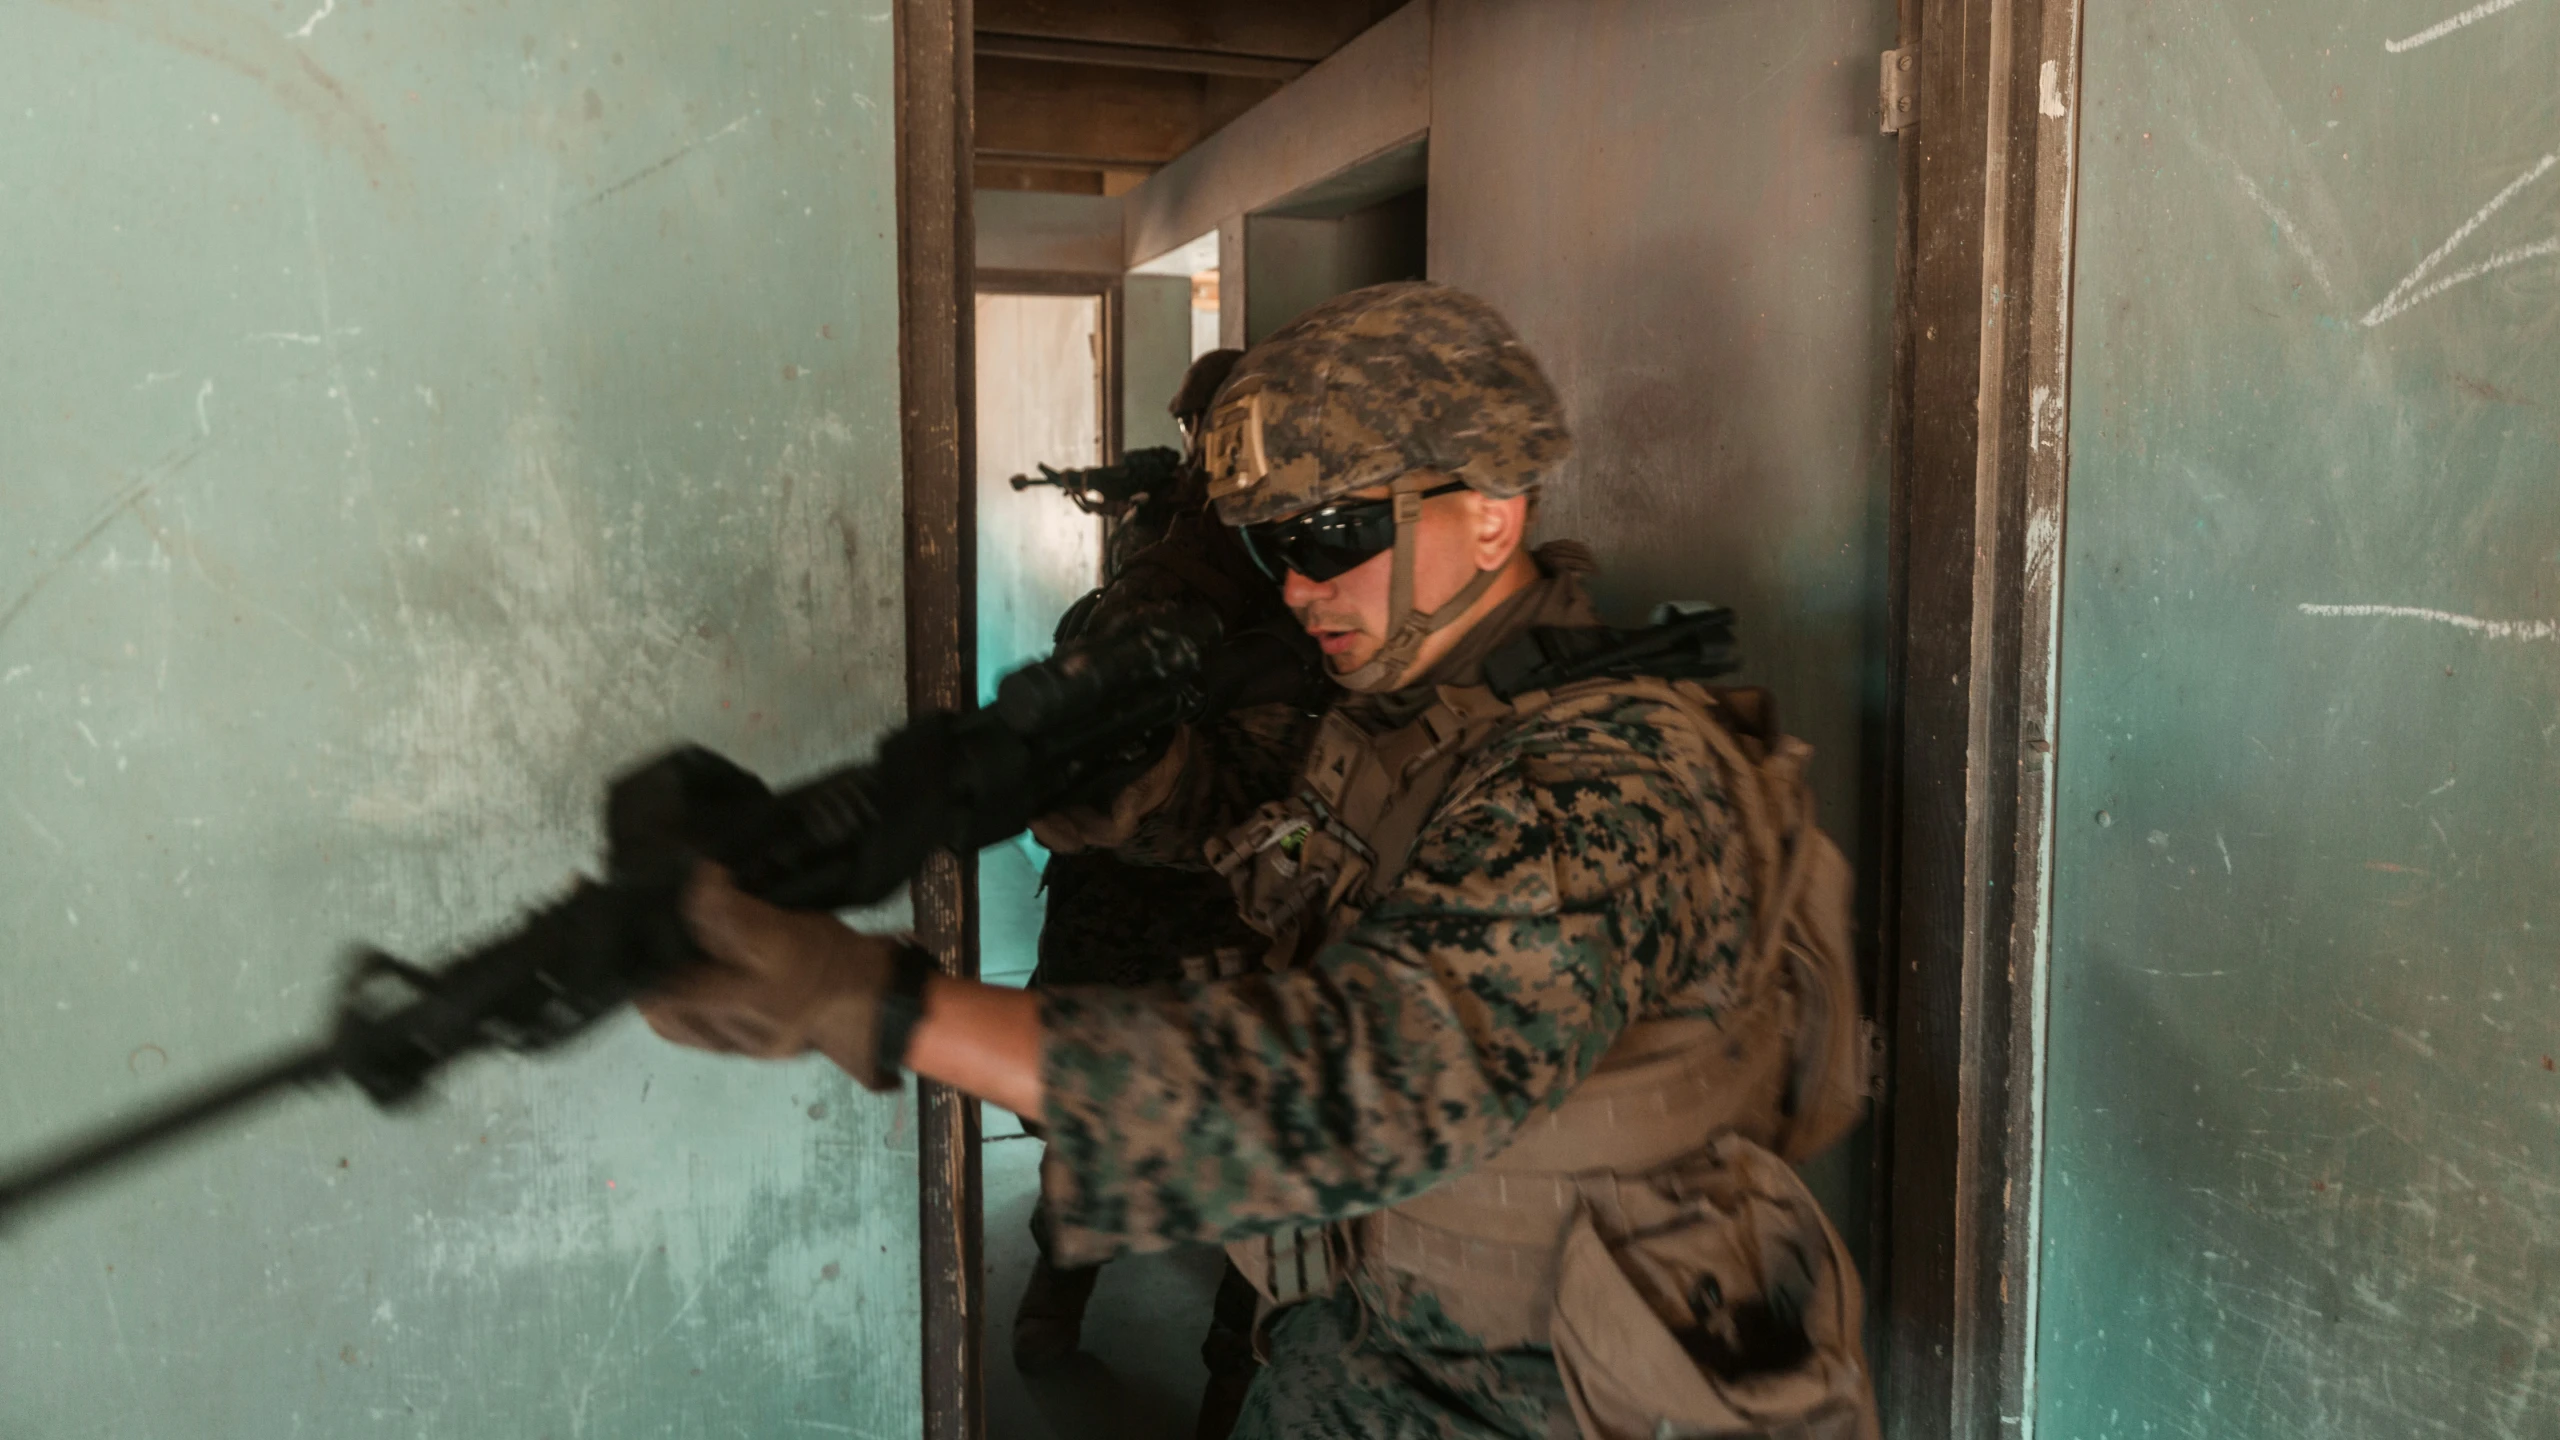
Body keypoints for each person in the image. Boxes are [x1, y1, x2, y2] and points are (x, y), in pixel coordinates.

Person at [640, 283, 1880, 1440]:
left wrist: (880, 1005)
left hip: (1566, 1392)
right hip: (1368, 1349)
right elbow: (1280, 840)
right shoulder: (1416, 713)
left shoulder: (1612, 773)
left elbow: (1368, 1077)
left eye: (1334, 533)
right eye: (1273, 544)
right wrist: (1117, 777)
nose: (1295, 586)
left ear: (1493, 512)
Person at [1012, 347, 1312, 1438]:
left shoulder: (1272, 556)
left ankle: (1218, 1378)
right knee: (1113, 1147)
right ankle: (1080, 1326)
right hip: (1154, 911)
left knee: (1240, 1178)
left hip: (1218, 920)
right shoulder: (1183, 556)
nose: (1198, 452)